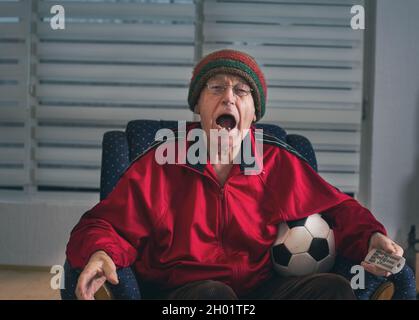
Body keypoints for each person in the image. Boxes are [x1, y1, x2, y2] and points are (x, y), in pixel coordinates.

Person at [64, 49, 407, 300]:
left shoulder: (277, 162)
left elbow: (339, 211)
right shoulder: (162, 161)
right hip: (185, 295)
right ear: (197, 105)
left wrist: (371, 237)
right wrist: (101, 252)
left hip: (261, 291)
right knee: (214, 296)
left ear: (253, 112)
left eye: (241, 91)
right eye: (216, 88)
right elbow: (105, 224)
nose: (229, 97)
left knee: (334, 290)